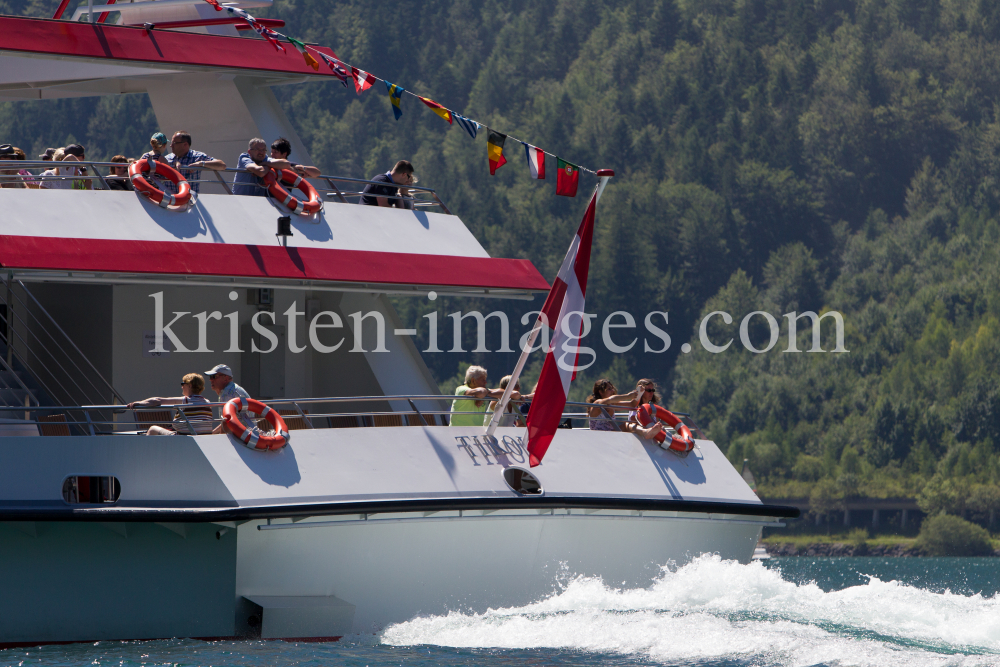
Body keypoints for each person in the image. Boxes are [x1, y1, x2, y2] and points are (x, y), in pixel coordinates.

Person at [126, 373, 214, 435]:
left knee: (153, 429)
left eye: (183, 383)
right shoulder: (207, 402)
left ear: (189, 385)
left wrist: (138, 403)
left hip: (185, 438)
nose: (182, 387)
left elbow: (156, 400)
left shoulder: (185, 401)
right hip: (204, 437)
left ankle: (147, 456)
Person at [232, 137, 297, 196]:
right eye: (257, 149)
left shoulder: (265, 159)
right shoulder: (244, 157)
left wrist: (265, 164)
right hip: (240, 200)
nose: (261, 152)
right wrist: (268, 166)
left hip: (258, 203)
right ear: (250, 152)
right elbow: (261, 172)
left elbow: (286, 164)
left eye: (263, 150)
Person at [204, 363, 256, 434]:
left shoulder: (227, 393)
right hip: (248, 433)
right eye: (210, 377)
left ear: (226, 378)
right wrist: (212, 433)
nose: (211, 380)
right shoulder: (234, 389)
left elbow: (227, 422)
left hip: (240, 436)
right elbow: (227, 421)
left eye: (214, 376)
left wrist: (220, 439)